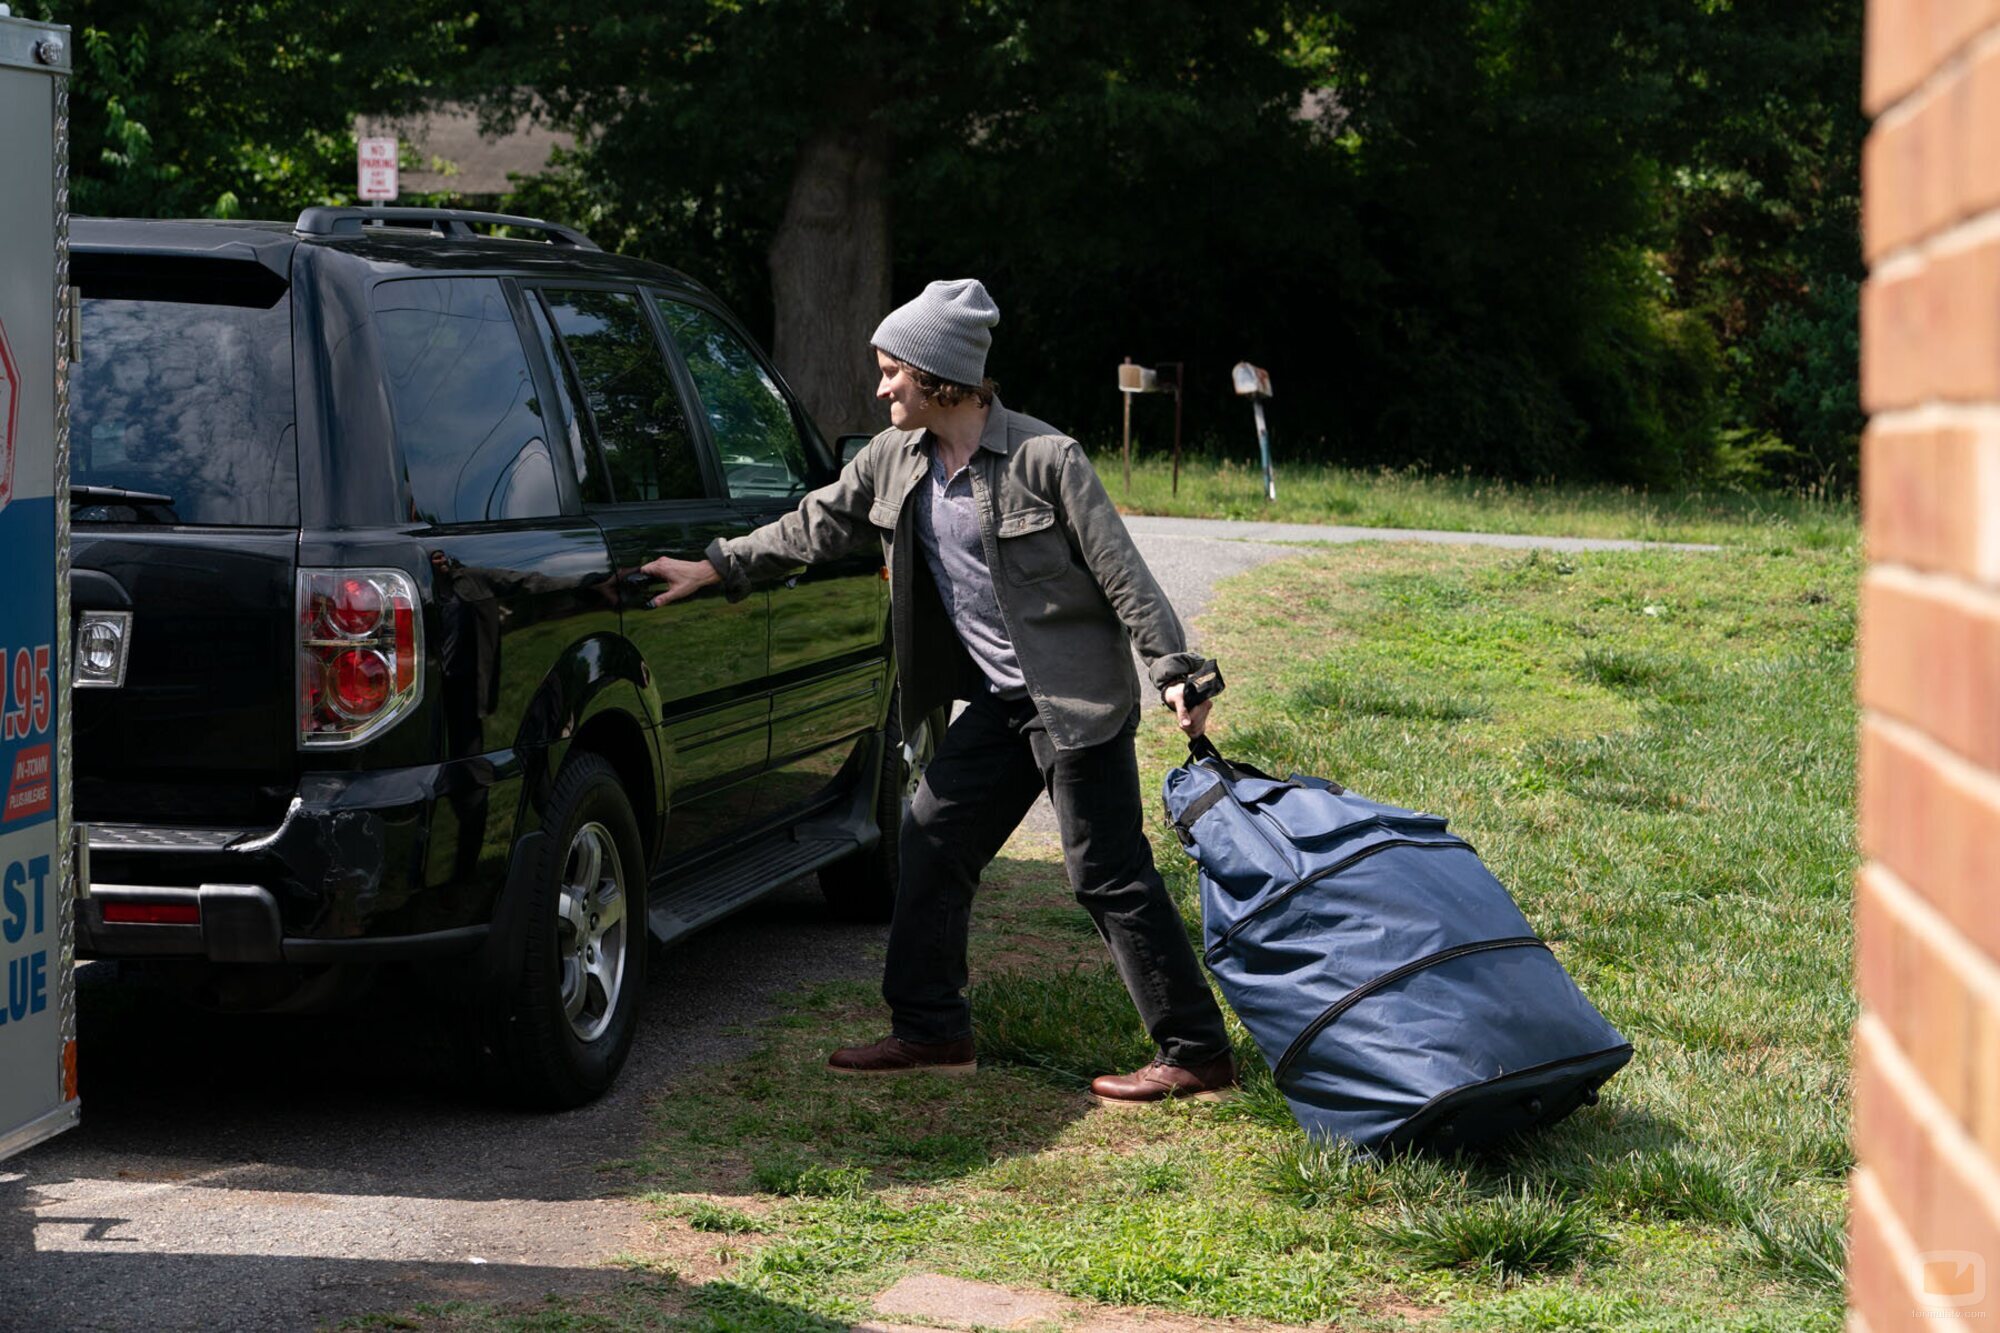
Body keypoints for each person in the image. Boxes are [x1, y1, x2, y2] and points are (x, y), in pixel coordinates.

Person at [641, 279, 1236, 1105]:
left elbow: (1122, 575)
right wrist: (716, 565)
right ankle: (932, 1032)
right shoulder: (897, 457)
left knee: (1107, 872)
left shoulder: (1045, 459)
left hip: (1075, 704)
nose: (882, 387)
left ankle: (1197, 1052)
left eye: (893, 372)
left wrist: (1177, 670)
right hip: (999, 702)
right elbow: (817, 521)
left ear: (940, 376)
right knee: (929, 839)